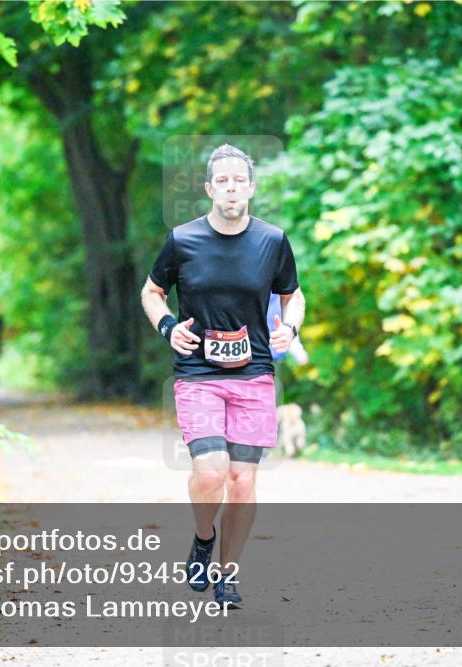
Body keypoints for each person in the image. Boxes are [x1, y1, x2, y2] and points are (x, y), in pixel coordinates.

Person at [141, 144, 306, 608]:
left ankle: (228, 574)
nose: (232, 188)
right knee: (210, 472)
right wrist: (168, 326)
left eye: (240, 181)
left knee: (242, 481)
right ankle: (202, 536)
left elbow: (294, 295)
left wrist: (289, 328)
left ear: (251, 188)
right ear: (211, 188)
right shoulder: (182, 240)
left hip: (254, 372)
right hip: (198, 372)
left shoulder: (272, 241)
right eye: (223, 182)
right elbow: (152, 292)